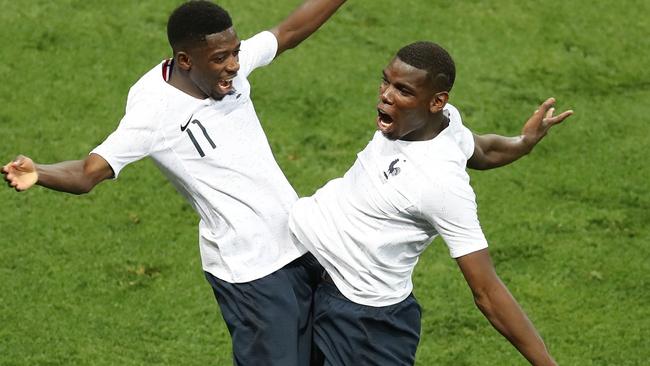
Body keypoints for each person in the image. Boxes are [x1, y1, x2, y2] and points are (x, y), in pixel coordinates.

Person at [2, 1, 346, 364]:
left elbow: (287, 32)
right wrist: (39, 171)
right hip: (251, 270)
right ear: (185, 61)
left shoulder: (226, 66)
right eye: (220, 59)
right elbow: (88, 173)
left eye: (236, 52)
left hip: (300, 243)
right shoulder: (154, 113)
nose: (233, 65)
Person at [288, 41, 573, 365]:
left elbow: (487, 292)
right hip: (306, 273)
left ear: (436, 101)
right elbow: (482, 150)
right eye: (386, 81)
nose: (386, 95)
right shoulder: (441, 123)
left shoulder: (439, 183)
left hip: (364, 318)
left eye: (403, 90)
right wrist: (522, 143)